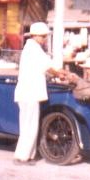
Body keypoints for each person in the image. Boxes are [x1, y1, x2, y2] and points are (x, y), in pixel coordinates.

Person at [13, 22, 61, 165]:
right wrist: (60, 73)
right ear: (37, 36)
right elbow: (49, 67)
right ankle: (24, 157)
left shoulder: (29, 48)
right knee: (31, 126)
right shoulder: (35, 50)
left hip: (25, 92)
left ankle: (24, 155)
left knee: (26, 125)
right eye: (44, 37)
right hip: (30, 92)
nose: (45, 39)